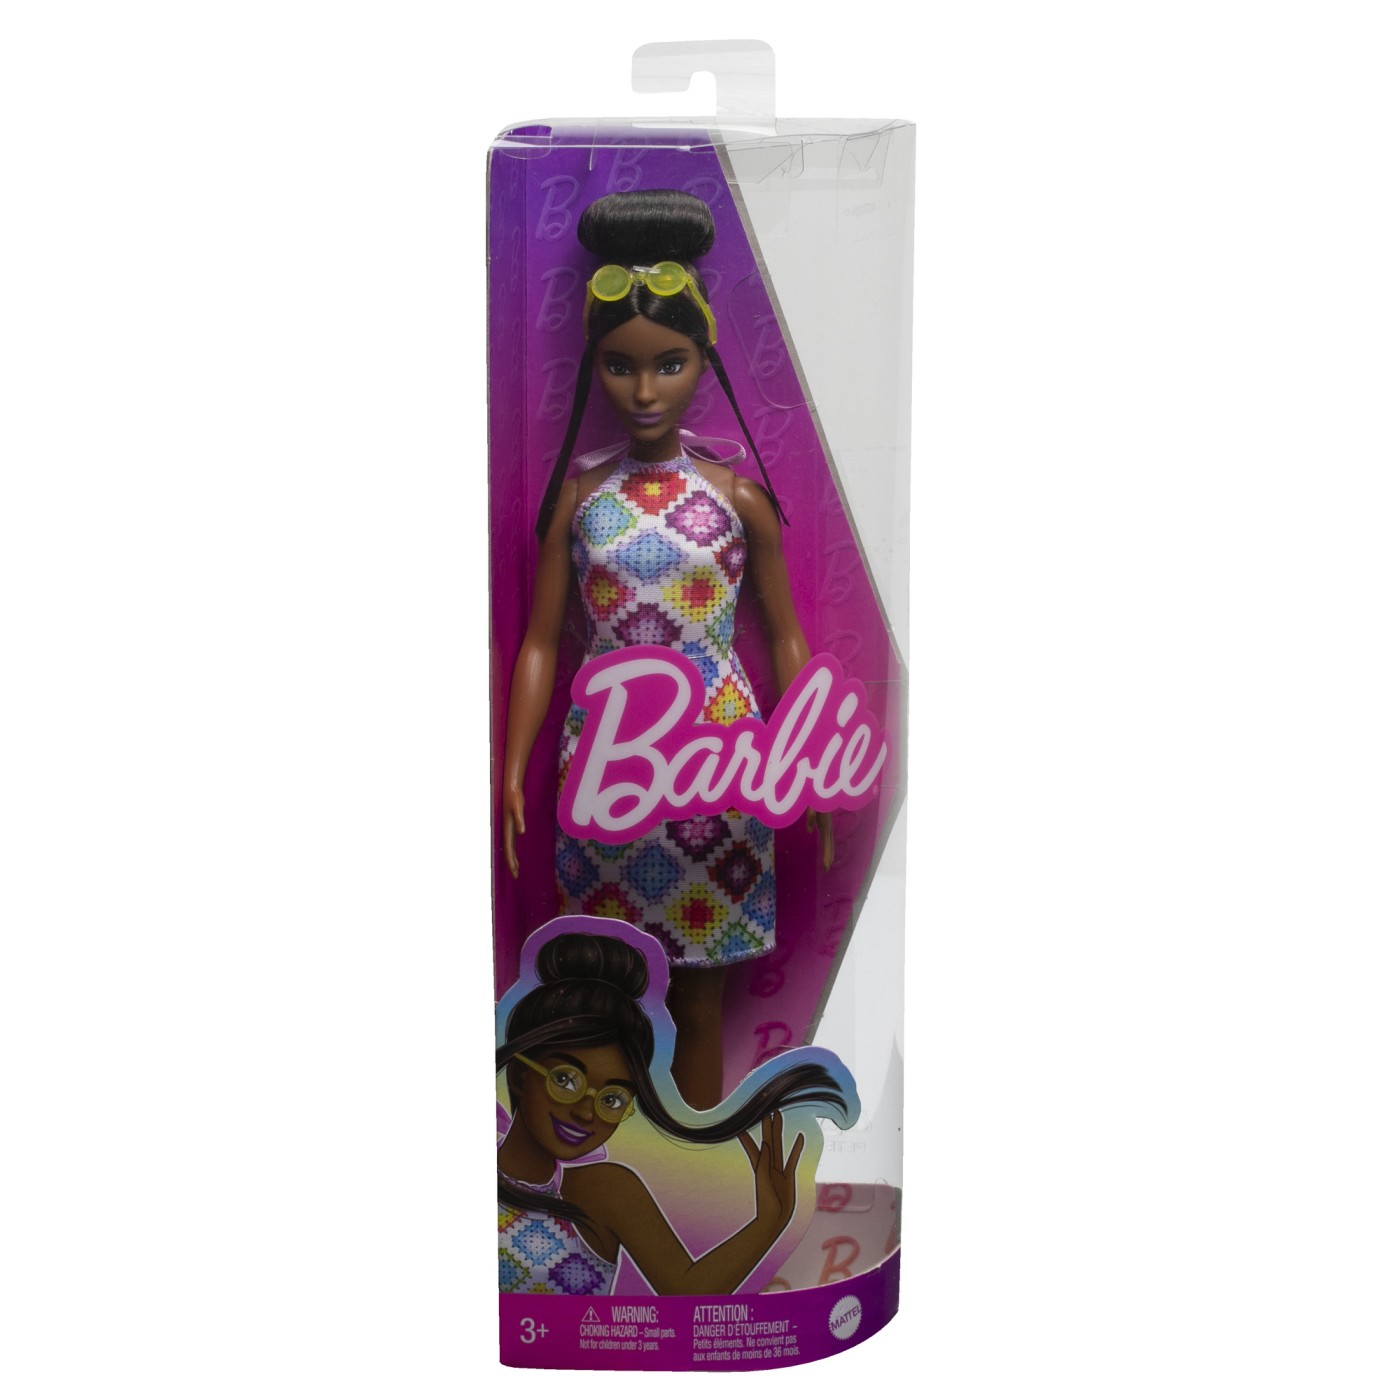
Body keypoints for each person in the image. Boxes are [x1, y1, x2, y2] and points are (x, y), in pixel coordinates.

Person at [501, 189, 831, 1108]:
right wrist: (512, 770)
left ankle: (697, 1161)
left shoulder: (737, 498)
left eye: (669, 364)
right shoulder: (580, 500)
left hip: (715, 769)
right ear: (595, 368)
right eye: (620, 366)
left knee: (700, 994)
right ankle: (613, 1155)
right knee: (609, 996)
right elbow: (539, 643)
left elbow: (787, 635)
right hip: (607, 770)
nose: (645, 392)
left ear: (703, 362)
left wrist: (807, 765)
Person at [496, 930, 850, 1297]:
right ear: (520, 1075)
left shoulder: (602, 1188)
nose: (587, 1112)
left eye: (613, 1099)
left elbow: (687, 1291)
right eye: (565, 1080)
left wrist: (769, 1222)